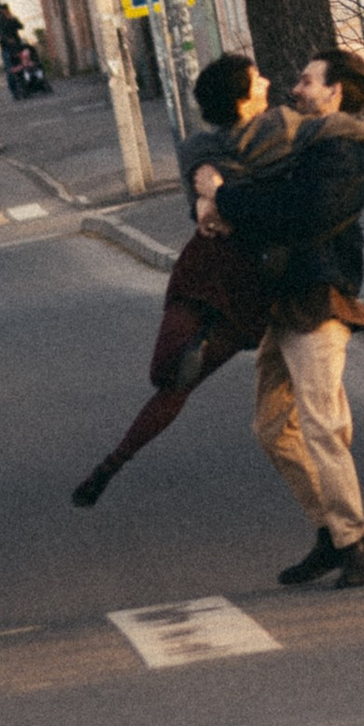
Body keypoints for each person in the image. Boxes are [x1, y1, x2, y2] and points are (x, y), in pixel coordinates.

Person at [68, 54, 287, 506]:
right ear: (240, 99)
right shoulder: (202, 148)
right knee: (169, 371)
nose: (266, 82)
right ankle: (113, 463)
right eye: (256, 78)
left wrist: (217, 199)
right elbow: (206, 174)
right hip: (205, 274)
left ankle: (113, 462)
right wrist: (210, 195)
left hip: (248, 283)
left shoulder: (280, 137)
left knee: (187, 375)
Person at [206, 49, 364, 590]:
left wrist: (226, 199)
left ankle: (355, 546)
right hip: (284, 303)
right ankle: (331, 531)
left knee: (322, 425)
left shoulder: (341, 150)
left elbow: (298, 214)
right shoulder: (301, 143)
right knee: (272, 426)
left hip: (318, 298)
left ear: (334, 93)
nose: (296, 88)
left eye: (307, 81)